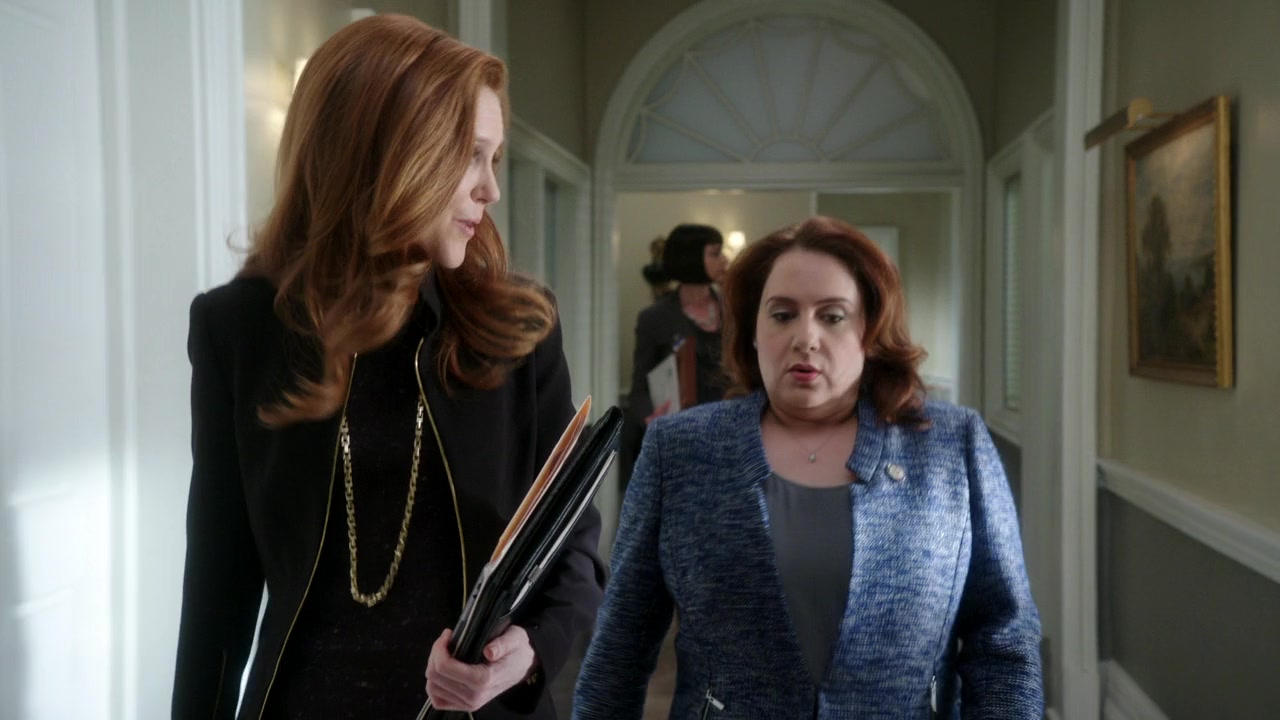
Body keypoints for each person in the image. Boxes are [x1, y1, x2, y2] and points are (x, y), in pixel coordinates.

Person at [171, 15, 605, 720]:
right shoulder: (238, 328)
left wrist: (528, 653)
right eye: (470, 156)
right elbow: (218, 589)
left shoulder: (519, 330)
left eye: (494, 159)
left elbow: (573, 549)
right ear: (386, 152)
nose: (490, 190)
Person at [574, 216, 1043, 718]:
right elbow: (620, 645)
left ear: (869, 330)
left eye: (833, 316)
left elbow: (1004, 642)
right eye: (782, 315)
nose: (806, 338)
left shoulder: (953, 444)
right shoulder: (679, 449)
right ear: (754, 331)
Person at [618, 224, 729, 489]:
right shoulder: (654, 318)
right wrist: (652, 420)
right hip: (681, 442)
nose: (724, 260)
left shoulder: (734, 310)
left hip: (730, 437)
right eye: (715, 253)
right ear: (691, 258)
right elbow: (639, 390)